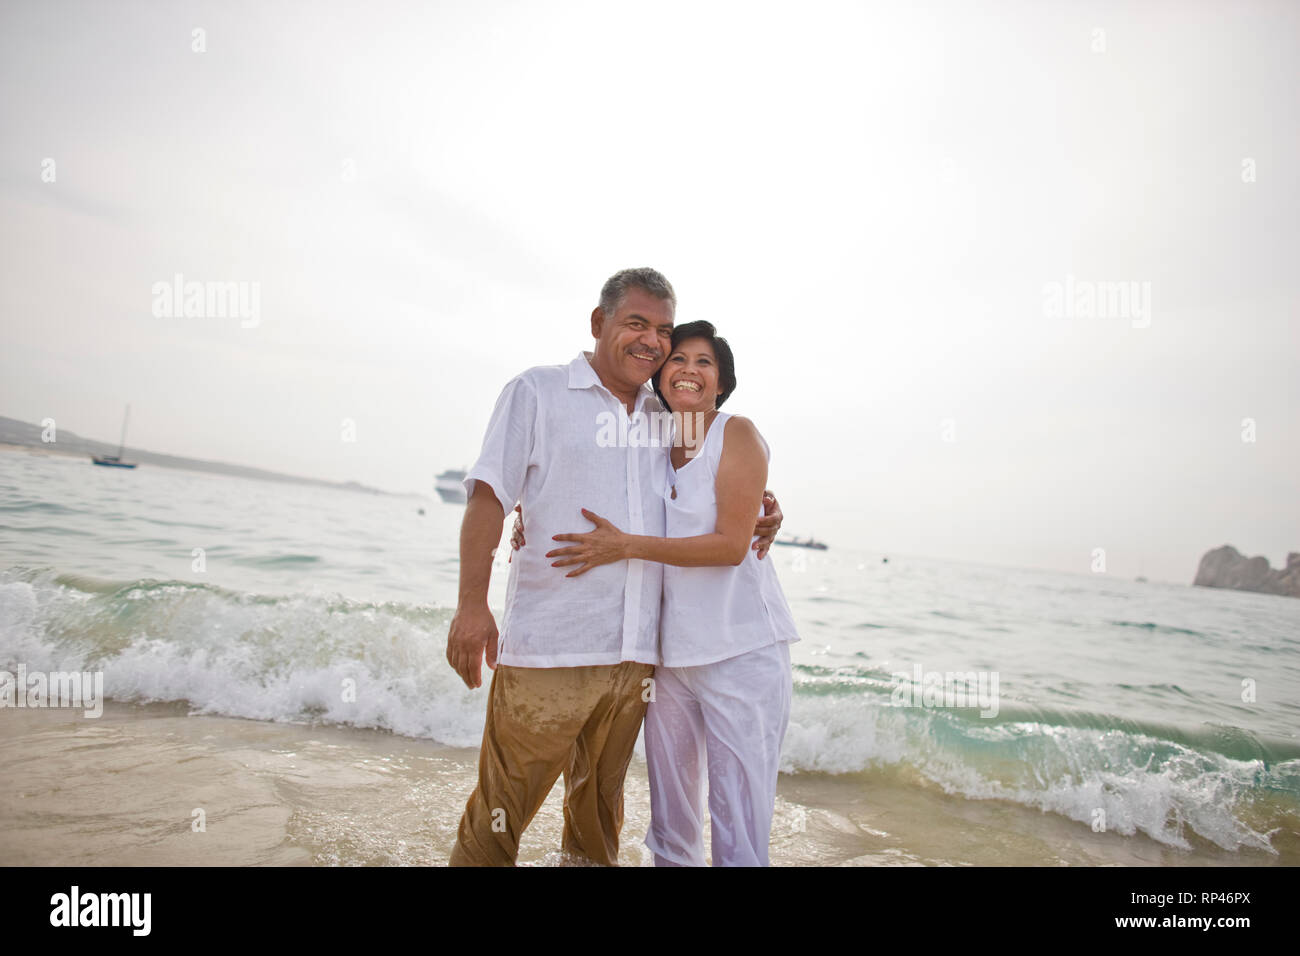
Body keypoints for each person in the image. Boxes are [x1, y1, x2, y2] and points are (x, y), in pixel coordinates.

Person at [444, 269, 783, 866]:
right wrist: (473, 604)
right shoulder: (538, 391)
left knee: (598, 822)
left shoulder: (665, 413)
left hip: (636, 661)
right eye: (636, 323)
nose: (651, 340)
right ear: (599, 323)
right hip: (552, 648)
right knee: (500, 816)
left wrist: (766, 509)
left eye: (662, 329)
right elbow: (489, 495)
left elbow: (713, 484)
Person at [544, 320, 800, 866]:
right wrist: (527, 514)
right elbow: (586, 477)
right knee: (671, 818)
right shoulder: (651, 436)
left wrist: (627, 546)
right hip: (672, 658)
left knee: (739, 820)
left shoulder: (738, 434)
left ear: (722, 384)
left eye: (704, 363)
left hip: (742, 650)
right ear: (660, 376)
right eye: (678, 359)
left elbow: (731, 546)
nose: (688, 370)